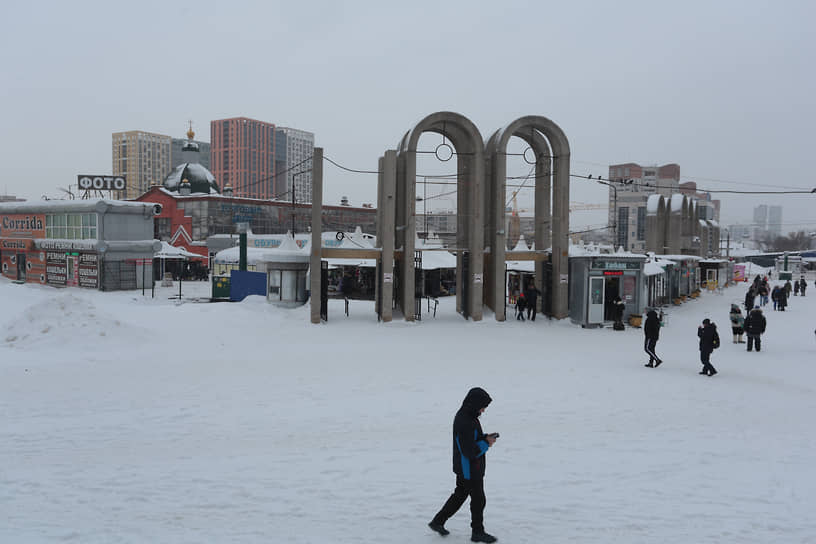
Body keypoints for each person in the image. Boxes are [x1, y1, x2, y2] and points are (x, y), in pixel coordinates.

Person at [429, 387, 498, 543]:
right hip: (469, 468)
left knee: (460, 495)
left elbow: (472, 439)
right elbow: (469, 451)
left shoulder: (469, 417)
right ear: (474, 404)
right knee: (478, 499)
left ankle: (438, 521)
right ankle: (477, 532)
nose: (483, 411)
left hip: (466, 467)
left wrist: (484, 437)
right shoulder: (464, 421)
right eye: (483, 407)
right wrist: (486, 443)